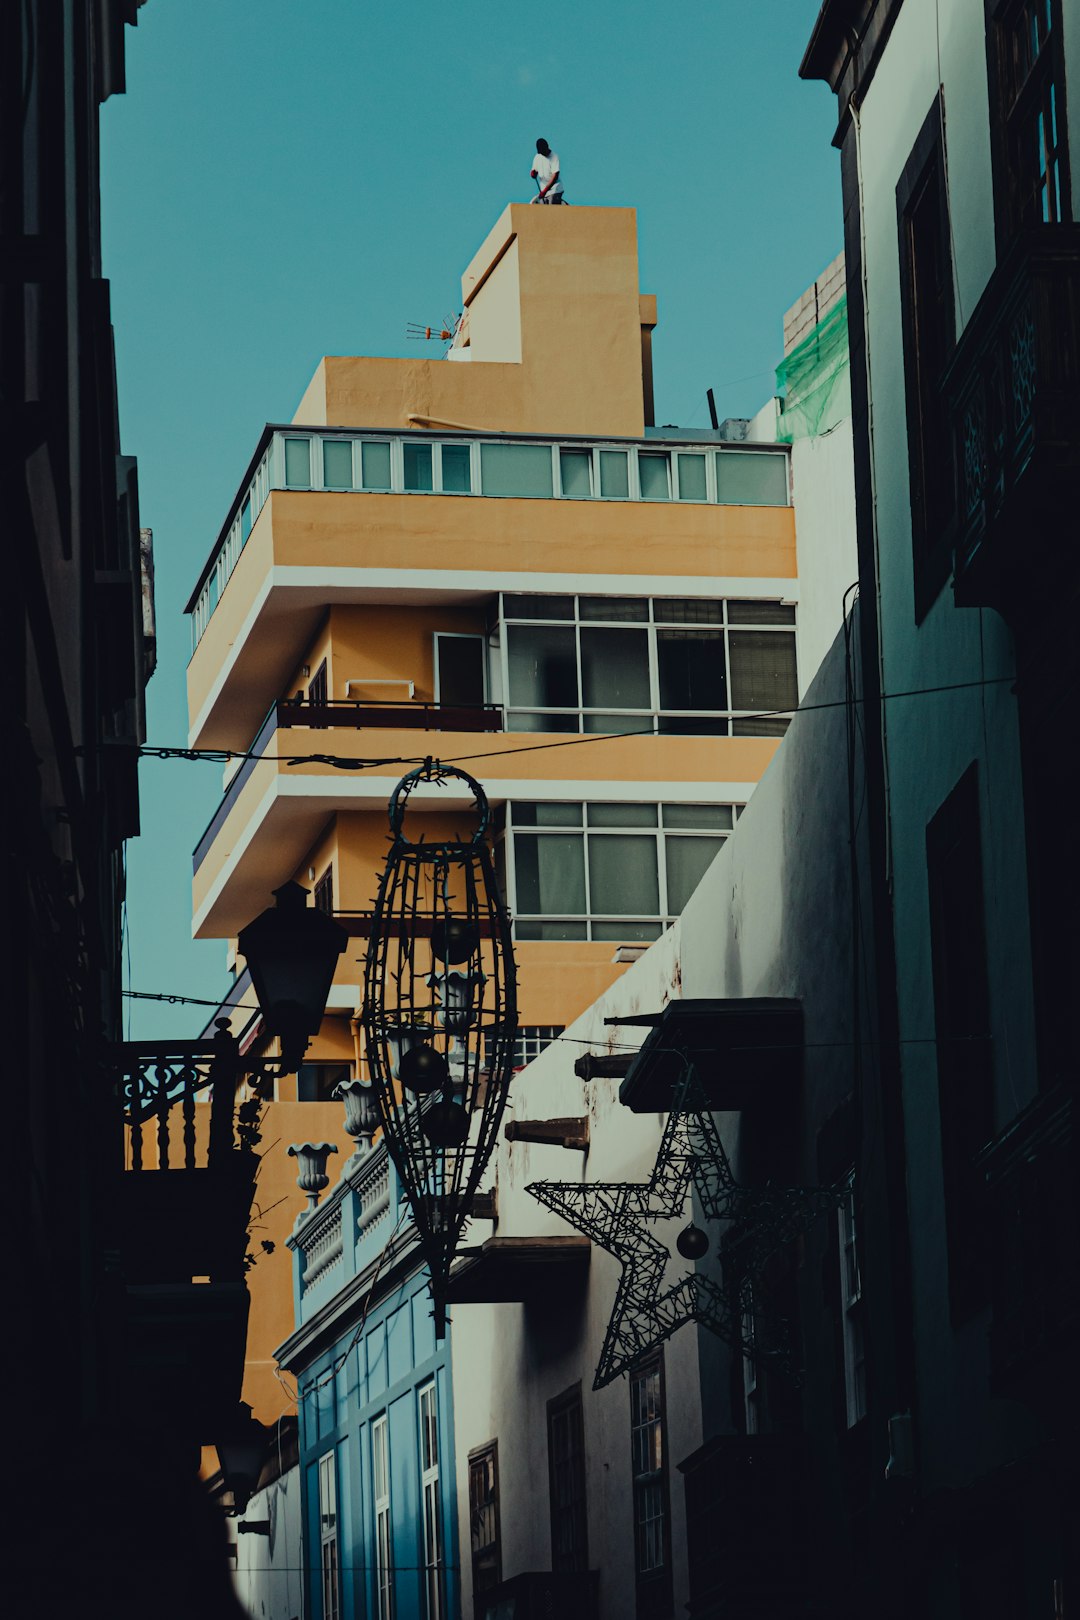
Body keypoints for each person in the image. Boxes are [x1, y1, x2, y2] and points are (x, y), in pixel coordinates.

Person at [530, 139, 564, 204]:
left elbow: (555, 176)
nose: (542, 153)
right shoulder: (538, 157)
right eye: (541, 152)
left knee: (552, 204)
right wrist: (533, 173)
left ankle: (560, 202)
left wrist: (545, 190)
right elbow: (534, 170)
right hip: (543, 191)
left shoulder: (554, 157)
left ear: (547, 146)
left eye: (543, 151)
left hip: (555, 189)